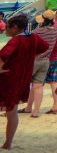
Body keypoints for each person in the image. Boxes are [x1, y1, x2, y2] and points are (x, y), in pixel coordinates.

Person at [0, 14, 50, 149]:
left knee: (10, 110)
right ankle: (8, 142)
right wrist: (29, 57)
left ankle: (7, 143)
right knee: (12, 111)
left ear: (15, 27)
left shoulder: (16, 41)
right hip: (22, 77)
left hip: (8, 79)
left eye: (8, 27)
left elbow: (3, 57)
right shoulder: (32, 37)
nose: (6, 30)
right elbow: (45, 47)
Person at [28, 11, 57, 117]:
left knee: (20, 84)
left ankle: (8, 108)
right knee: (38, 86)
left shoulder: (38, 31)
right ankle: (35, 111)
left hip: (34, 60)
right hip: (46, 61)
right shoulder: (55, 30)